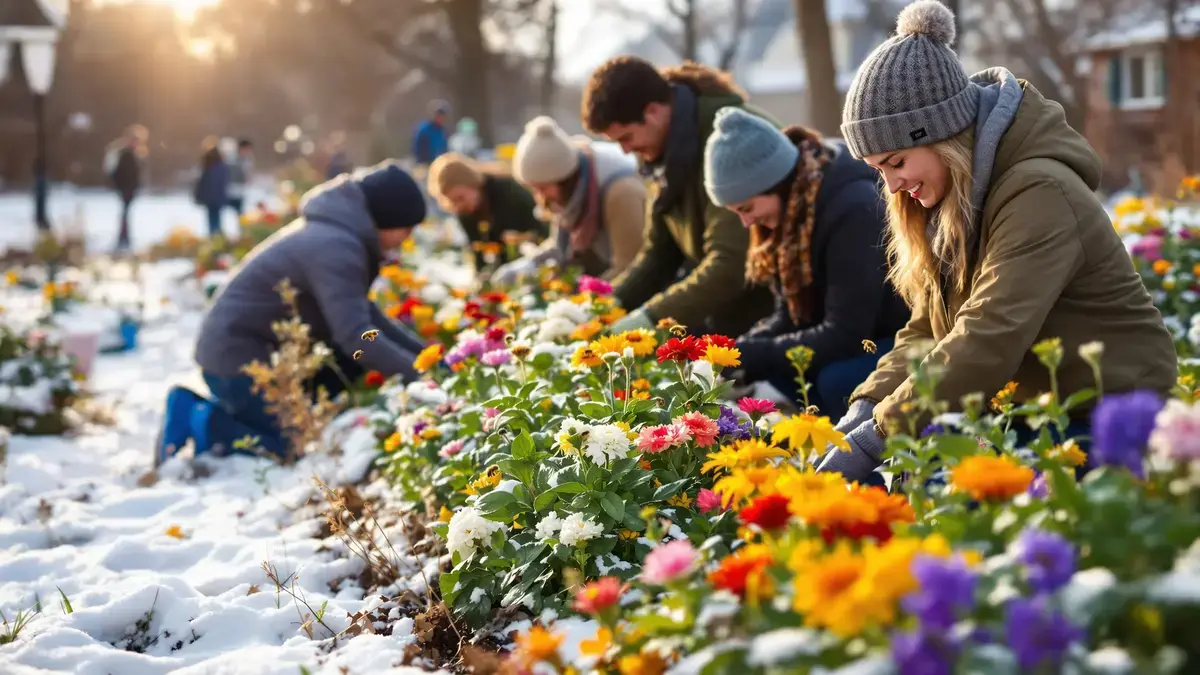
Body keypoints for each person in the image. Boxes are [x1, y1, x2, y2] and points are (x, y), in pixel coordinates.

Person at [816, 0, 1178, 483]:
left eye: (897, 162)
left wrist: (879, 434)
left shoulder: (1038, 192)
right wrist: (863, 410)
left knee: (944, 496)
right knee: (909, 484)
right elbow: (928, 332)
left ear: (942, 134)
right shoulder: (949, 196)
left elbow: (990, 333)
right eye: (879, 170)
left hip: (1105, 416)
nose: (893, 185)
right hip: (1026, 410)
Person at [156, 161, 429, 463]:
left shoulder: (338, 234)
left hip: (261, 353)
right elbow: (356, 337)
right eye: (407, 228)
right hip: (236, 362)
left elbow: (368, 321)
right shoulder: (336, 247)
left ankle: (264, 415)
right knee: (289, 447)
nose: (408, 237)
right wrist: (420, 375)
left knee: (352, 364)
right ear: (388, 219)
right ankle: (199, 418)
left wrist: (428, 358)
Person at [702, 108, 910, 421]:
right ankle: (829, 433)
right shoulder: (793, 216)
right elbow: (791, 316)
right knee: (778, 371)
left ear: (774, 181)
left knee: (832, 380)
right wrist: (735, 351)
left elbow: (845, 333)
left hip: (898, 337)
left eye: (747, 208)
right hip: (857, 337)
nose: (745, 223)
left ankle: (864, 449)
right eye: (736, 213)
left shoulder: (853, 209)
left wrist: (751, 355)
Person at [582, 57, 775, 337]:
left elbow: (731, 263)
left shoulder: (727, 139)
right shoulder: (664, 156)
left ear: (653, 112)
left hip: (772, 308)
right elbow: (658, 255)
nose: (625, 151)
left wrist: (649, 321)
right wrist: (608, 306)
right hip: (731, 305)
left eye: (626, 137)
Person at [493, 116, 647, 283]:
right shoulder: (573, 192)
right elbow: (560, 247)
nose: (540, 196)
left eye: (543, 187)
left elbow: (629, 267)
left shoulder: (621, 192)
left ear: (564, 178)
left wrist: (582, 300)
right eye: (533, 188)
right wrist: (526, 266)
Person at [427, 152, 548, 272]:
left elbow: (541, 231)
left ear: (473, 184)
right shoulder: (465, 212)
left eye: (460, 198)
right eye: (452, 202)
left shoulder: (509, 193)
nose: (458, 206)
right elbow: (477, 250)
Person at [104, 124, 148, 252]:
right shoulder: (126, 154)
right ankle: (123, 237)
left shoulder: (133, 153)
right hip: (126, 188)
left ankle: (124, 236)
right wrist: (123, 185)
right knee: (125, 214)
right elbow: (122, 173)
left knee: (125, 213)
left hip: (129, 188)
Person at [195, 137, 231, 239]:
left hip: (209, 197)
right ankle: (217, 238)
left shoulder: (207, 165)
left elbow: (204, 183)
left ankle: (214, 237)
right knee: (217, 218)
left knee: (212, 218)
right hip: (218, 197)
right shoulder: (222, 165)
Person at [413, 99, 451, 168]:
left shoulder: (442, 131)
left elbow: (445, 148)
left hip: (439, 164)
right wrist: (422, 162)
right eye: (439, 114)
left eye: (442, 115)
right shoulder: (424, 129)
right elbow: (417, 147)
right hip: (425, 164)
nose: (440, 117)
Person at [228, 138, 255, 217]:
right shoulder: (232, 159)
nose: (249, 151)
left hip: (241, 190)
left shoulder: (248, 159)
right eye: (248, 148)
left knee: (240, 213)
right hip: (232, 190)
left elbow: (248, 173)